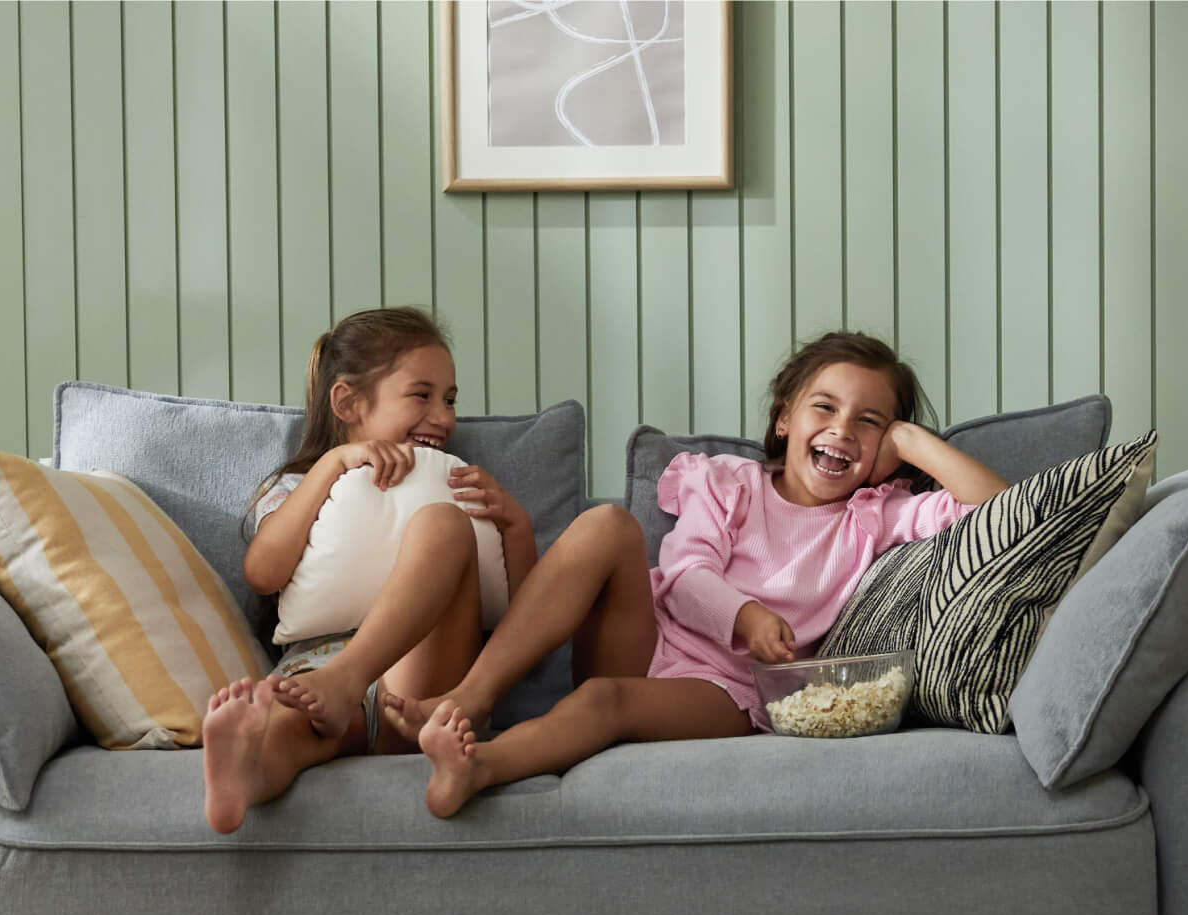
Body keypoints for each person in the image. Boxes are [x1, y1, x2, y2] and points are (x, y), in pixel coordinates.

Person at [379, 330, 1011, 818]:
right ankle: (473, 695)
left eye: (868, 422)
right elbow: (684, 573)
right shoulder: (729, 483)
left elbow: (1004, 510)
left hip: (732, 692)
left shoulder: (877, 516)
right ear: (784, 417)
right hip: (645, 643)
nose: (842, 430)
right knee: (608, 525)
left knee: (604, 701)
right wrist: (743, 613)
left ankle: (479, 766)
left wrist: (913, 440)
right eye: (825, 407)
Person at [201, 306, 535, 833]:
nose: (444, 417)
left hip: (420, 694)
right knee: (291, 729)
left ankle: (343, 682)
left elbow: (523, 616)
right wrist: (333, 466)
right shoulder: (297, 486)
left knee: (444, 526)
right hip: (320, 680)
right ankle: (243, 776)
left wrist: (515, 526)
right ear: (348, 403)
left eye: (449, 399)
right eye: (421, 395)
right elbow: (263, 573)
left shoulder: (460, 482)